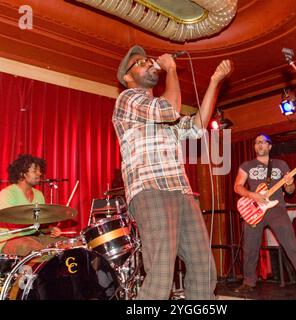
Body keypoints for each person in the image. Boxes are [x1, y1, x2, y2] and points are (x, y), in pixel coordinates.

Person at [112, 45, 232, 299]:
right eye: (141, 62)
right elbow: (169, 110)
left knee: (204, 268)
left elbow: (197, 126)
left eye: (148, 60)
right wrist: (171, 70)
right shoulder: (128, 99)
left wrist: (213, 82)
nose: (148, 63)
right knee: (161, 274)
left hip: (181, 191)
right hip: (151, 189)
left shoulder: (162, 113)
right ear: (128, 77)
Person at [233, 133, 296, 298]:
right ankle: (248, 282)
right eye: (257, 142)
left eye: (263, 143)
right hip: (254, 208)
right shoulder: (247, 165)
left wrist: (290, 182)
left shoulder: (280, 165)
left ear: (270, 146)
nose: (260, 145)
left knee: (291, 246)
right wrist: (252, 195)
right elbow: (238, 186)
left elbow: (290, 191)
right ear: (254, 146)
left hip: (277, 208)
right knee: (250, 247)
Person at [0, 154, 64, 256]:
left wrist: (50, 229)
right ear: (23, 173)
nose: (39, 173)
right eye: (35, 171)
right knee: (40, 252)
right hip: (10, 240)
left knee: (68, 246)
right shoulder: (7, 194)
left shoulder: (39, 195)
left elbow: (39, 226)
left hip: (36, 238)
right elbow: (12, 227)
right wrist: (37, 225)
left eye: (40, 171)